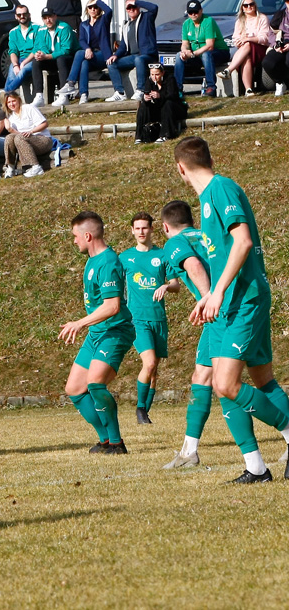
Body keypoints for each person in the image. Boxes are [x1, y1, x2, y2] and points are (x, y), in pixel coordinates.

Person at [173, 136, 289, 483]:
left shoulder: (220, 189)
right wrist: (208, 297)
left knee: (225, 383)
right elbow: (224, 253)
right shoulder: (209, 197)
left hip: (244, 299)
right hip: (229, 303)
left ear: (181, 169)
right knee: (258, 380)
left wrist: (218, 292)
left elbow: (243, 242)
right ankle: (256, 467)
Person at [59, 211, 135, 454]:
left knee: (95, 384)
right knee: (74, 389)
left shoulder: (108, 262)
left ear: (88, 235)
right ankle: (104, 441)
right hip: (97, 333)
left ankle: (117, 443)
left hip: (115, 331)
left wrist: (79, 323)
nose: (74, 241)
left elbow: (112, 306)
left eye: (75, 236)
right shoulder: (92, 260)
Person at [157, 200, 216, 469]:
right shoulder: (207, 235)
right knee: (203, 375)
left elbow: (192, 265)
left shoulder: (174, 242)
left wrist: (208, 299)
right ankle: (188, 452)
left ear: (165, 226)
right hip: (238, 305)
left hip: (221, 312)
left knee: (231, 385)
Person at [119, 212, 174, 425]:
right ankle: (140, 410)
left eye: (145, 227)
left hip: (158, 319)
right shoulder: (124, 258)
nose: (141, 231)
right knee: (149, 363)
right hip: (137, 320)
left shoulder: (162, 256)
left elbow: (176, 284)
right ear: (132, 231)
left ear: (152, 229)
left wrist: (166, 285)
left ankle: (145, 414)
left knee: (154, 370)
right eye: (137, 228)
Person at [54, 0, 113, 106]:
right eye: (90, 7)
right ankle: (83, 94)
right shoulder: (83, 24)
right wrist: (87, 48)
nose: (93, 9)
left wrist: (98, 1)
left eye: (95, 7)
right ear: (87, 9)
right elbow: (81, 40)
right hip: (90, 55)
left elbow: (109, 11)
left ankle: (71, 83)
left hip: (103, 55)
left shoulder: (103, 20)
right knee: (84, 63)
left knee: (79, 53)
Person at [106, 0, 159, 103]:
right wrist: (115, 55)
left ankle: (140, 90)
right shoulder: (126, 25)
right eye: (128, 8)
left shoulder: (146, 18)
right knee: (111, 64)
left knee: (139, 60)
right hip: (133, 56)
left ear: (138, 7)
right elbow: (123, 46)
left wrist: (136, 2)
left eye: (133, 7)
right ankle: (119, 93)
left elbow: (154, 8)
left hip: (147, 55)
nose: (131, 9)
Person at [174, 0, 230, 98]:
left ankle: (211, 87)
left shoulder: (208, 21)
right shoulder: (186, 24)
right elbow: (185, 43)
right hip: (198, 54)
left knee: (206, 54)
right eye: (190, 13)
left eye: (196, 12)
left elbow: (210, 45)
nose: (193, 15)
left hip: (218, 52)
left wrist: (192, 54)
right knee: (179, 56)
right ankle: (177, 89)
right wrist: (185, 51)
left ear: (201, 11)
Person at [218, 0, 269, 97]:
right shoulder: (240, 21)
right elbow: (235, 37)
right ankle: (248, 89)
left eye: (251, 4)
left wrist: (248, 38)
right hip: (245, 50)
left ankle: (229, 70)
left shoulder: (262, 18)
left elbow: (265, 38)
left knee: (248, 44)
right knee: (246, 57)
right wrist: (239, 42)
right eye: (246, 5)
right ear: (242, 8)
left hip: (260, 49)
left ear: (255, 6)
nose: (249, 7)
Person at [30, 7, 77, 107]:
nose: (48, 20)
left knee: (61, 59)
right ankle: (39, 96)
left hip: (70, 59)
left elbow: (66, 50)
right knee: (36, 62)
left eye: (50, 17)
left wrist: (47, 56)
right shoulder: (41, 30)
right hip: (51, 58)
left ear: (55, 16)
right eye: (45, 18)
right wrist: (39, 54)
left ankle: (64, 96)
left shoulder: (64, 28)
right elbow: (38, 46)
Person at [3, 90, 52, 179]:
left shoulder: (29, 108)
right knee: (9, 137)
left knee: (19, 138)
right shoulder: (11, 117)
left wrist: (31, 131)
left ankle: (36, 166)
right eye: (9, 102)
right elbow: (21, 135)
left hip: (43, 140)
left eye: (13, 101)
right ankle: (10, 167)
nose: (11, 104)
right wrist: (11, 130)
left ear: (18, 100)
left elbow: (45, 124)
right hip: (26, 142)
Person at [135, 63, 186, 144]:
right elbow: (147, 93)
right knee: (144, 106)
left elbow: (173, 95)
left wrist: (160, 96)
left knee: (168, 103)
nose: (154, 77)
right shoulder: (149, 80)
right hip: (158, 109)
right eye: (152, 74)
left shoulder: (170, 79)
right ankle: (139, 136)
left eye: (157, 74)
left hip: (174, 109)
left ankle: (165, 134)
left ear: (163, 73)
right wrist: (145, 98)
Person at [5, 5, 39, 96]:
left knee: (22, 71)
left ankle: (5, 93)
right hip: (20, 59)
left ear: (29, 15)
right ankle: (7, 95)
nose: (22, 16)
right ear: (16, 16)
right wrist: (16, 65)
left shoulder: (38, 28)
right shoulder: (13, 32)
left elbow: (37, 48)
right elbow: (13, 51)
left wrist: (24, 63)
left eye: (24, 14)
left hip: (34, 59)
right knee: (12, 70)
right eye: (19, 15)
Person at [262, 0, 289, 97]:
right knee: (268, 62)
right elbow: (271, 33)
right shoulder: (280, 15)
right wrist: (276, 45)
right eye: (288, 1)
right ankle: (279, 83)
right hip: (280, 43)